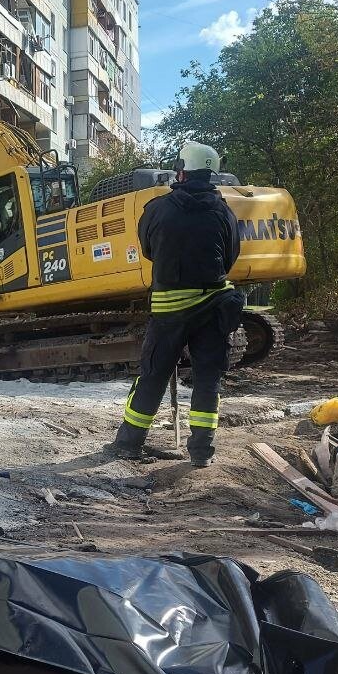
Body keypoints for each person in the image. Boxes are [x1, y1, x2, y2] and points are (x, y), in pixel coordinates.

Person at [111, 141, 246, 468]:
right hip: (213, 309)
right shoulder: (224, 212)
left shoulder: (157, 209)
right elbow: (230, 257)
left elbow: (148, 250)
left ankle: (129, 444)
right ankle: (200, 453)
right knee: (207, 380)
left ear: (181, 171)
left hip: (169, 310)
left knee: (153, 376)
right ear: (210, 173)